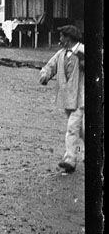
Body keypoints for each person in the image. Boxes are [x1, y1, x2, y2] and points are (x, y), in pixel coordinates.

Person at [39, 25, 85, 174]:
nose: (59, 39)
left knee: (72, 127)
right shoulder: (61, 53)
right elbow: (50, 66)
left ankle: (70, 160)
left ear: (68, 38)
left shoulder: (84, 51)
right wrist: (45, 75)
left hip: (81, 97)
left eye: (61, 36)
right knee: (81, 129)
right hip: (67, 98)